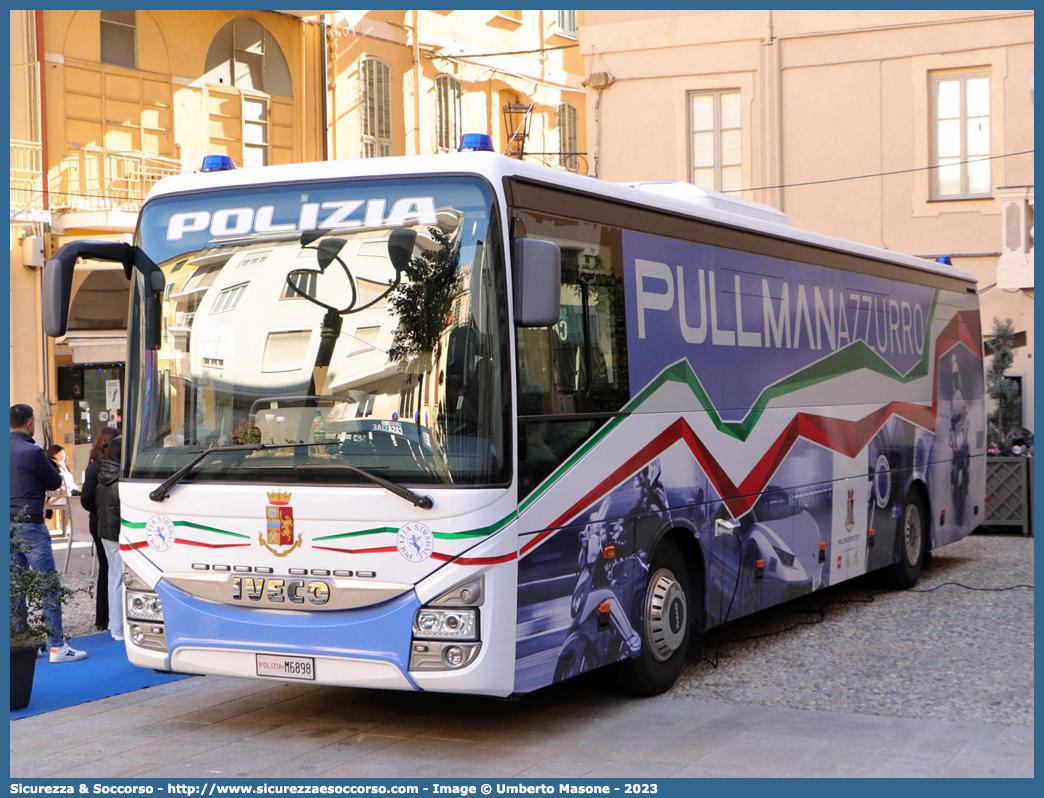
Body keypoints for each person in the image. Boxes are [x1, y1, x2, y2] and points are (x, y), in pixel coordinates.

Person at [9, 404, 87, 662]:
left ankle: (22, 643)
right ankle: (57, 645)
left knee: (16, 586)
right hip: (31, 523)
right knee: (47, 585)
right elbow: (55, 482)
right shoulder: (32, 452)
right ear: (30, 424)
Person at [79, 427, 119, 631]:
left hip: (103, 521)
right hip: (101, 523)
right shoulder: (96, 468)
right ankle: (104, 617)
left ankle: (109, 617)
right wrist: (104, 511)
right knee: (108, 568)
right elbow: (86, 499)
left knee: (110, 568)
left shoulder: (101, 466)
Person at [95, 436, 125, 641]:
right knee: (121, 580)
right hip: (118, 533)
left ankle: (115, 626)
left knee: (113, 579)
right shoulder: (121, 481)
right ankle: (119, 628)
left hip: (105, 533)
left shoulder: (103, 478)